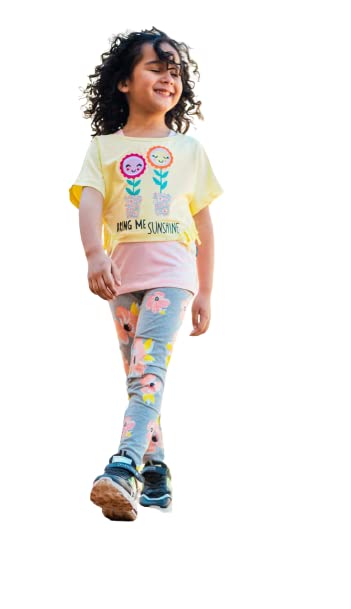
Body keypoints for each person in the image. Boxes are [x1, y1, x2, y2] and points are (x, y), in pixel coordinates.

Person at [69, 27, 223, 521]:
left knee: (148, 372)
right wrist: (94, 254)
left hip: (173, 275)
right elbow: (90, 202)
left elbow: (204, 224)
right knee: (138, 377)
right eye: (155, 68)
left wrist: (205, 291)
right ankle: (156, 471)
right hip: (121, 279)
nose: (167, 78)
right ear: (123, 82)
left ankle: (124, 467)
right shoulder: (104, 149)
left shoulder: (189, 150)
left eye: (174, 72)